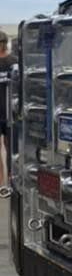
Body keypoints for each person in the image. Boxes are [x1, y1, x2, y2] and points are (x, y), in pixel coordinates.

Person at [0, 31, 11, 189]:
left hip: (10, 114)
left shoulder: (13, 62)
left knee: (10, 148)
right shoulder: (14, 61)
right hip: (6, 113)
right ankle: (4, 181)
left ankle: (8, 180)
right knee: (9, 148)